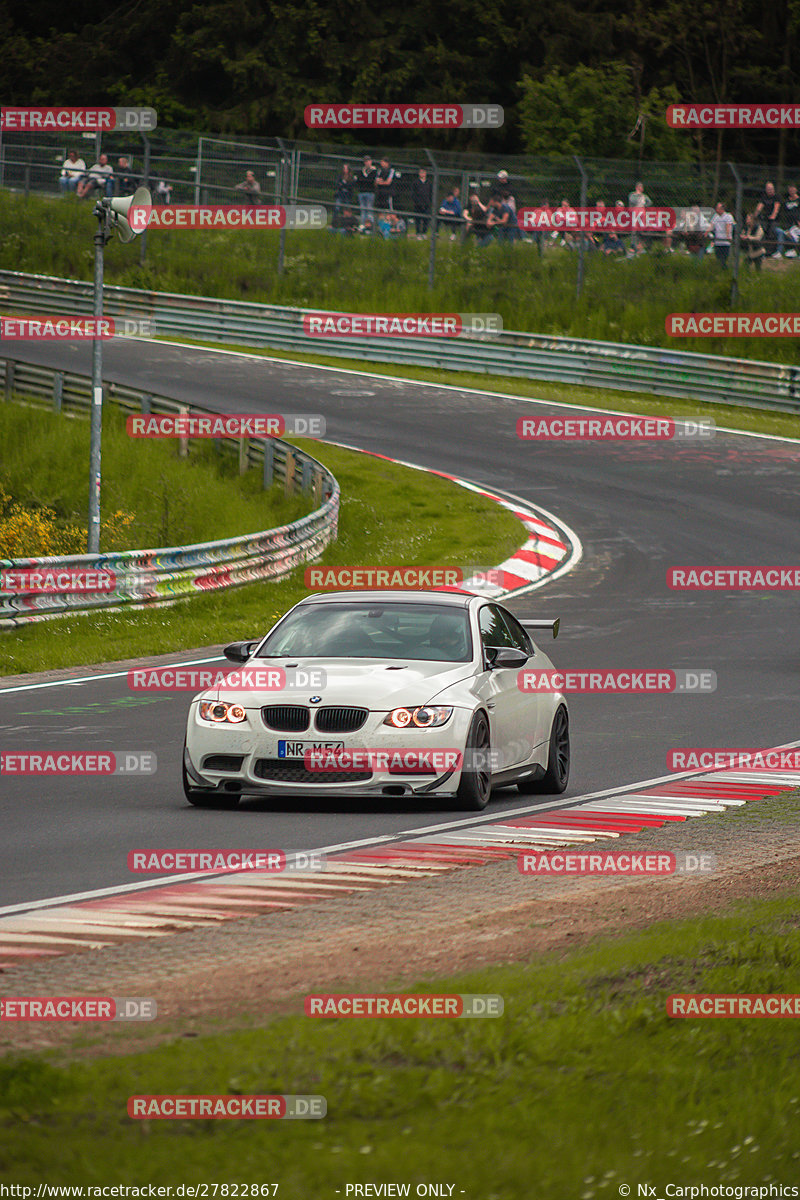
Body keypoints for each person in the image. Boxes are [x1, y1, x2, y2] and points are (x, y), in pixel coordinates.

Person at [754, 181, 782, 256]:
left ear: (773, 189)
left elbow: (776, 208)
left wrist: (773, 216)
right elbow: (759, 207)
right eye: (768, 189)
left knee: (772, 231)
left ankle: (771, 251)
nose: (769, 190)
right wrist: (755, 215)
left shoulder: (777, 197)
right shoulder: (764, 197)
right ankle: (762, 251)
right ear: (766, 190)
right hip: (765, 218)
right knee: (762, 230)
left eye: (771, 189)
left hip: (774, 220)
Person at [627, 180, 652, 254]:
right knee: (634, 228)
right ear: (638, 187)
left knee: (641, 228)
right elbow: (632, 202)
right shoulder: (632, 195)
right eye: (641, 187)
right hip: (635, 212)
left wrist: (644, 205)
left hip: (641, 212)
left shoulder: (644, 196)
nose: (642, 188)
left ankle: (640, 245)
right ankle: (633, 245)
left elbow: (649, 202)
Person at [709, 200, 734, 267]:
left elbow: (728, 226)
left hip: (725, 242)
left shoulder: (728, 216)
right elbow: (711, 225)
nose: (716, 209)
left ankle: (724, 271)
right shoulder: (715, 216)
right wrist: (707, 232)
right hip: (718, 241)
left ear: (722, 209)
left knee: (724, 260)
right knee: (718, 259)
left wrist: (728, 236)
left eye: (718, 208)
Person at [411, 167, 432, 238]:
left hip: (426, 204)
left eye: (423, 172)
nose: (422, 174)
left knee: (426, 219)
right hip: (418, 204)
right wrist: (416, 202)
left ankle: (424, 233)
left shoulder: (429, 182)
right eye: (421, 172)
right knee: (418, 219)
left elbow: (431, 193)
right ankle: (418, 233)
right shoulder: (415, 182)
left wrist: (429, 202)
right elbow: (413, 193)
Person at [356, 156, 377, 226]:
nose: (367, 162)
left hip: (370, 192)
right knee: (363, 210)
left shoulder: (374, 171)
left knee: (369, 210)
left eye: (368, 161)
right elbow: (359, 180)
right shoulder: (361, 170)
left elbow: (371, 180)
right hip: (361, 192)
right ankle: (363, 225)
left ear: (370, 161)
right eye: (365, 161)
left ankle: (370, 225)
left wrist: (365, 179)